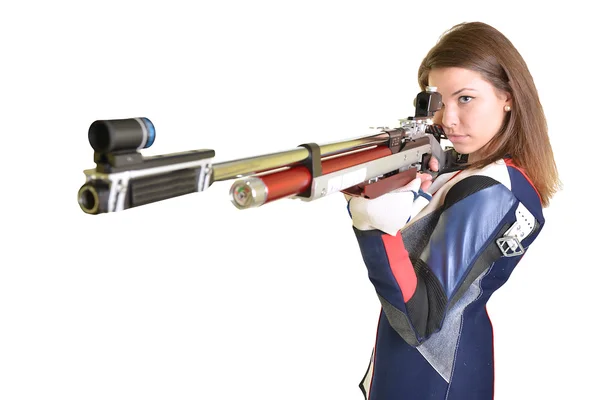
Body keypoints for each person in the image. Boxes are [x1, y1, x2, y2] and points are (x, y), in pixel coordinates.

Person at [344, 21, 561, 400]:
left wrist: (374, 227)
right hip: (418, 367)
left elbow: (420, 317)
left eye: (465, 98)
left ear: (507, 96)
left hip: (433, 376)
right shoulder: (473, 172)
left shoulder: (493, 187)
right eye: (439, 101)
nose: (447, 119)